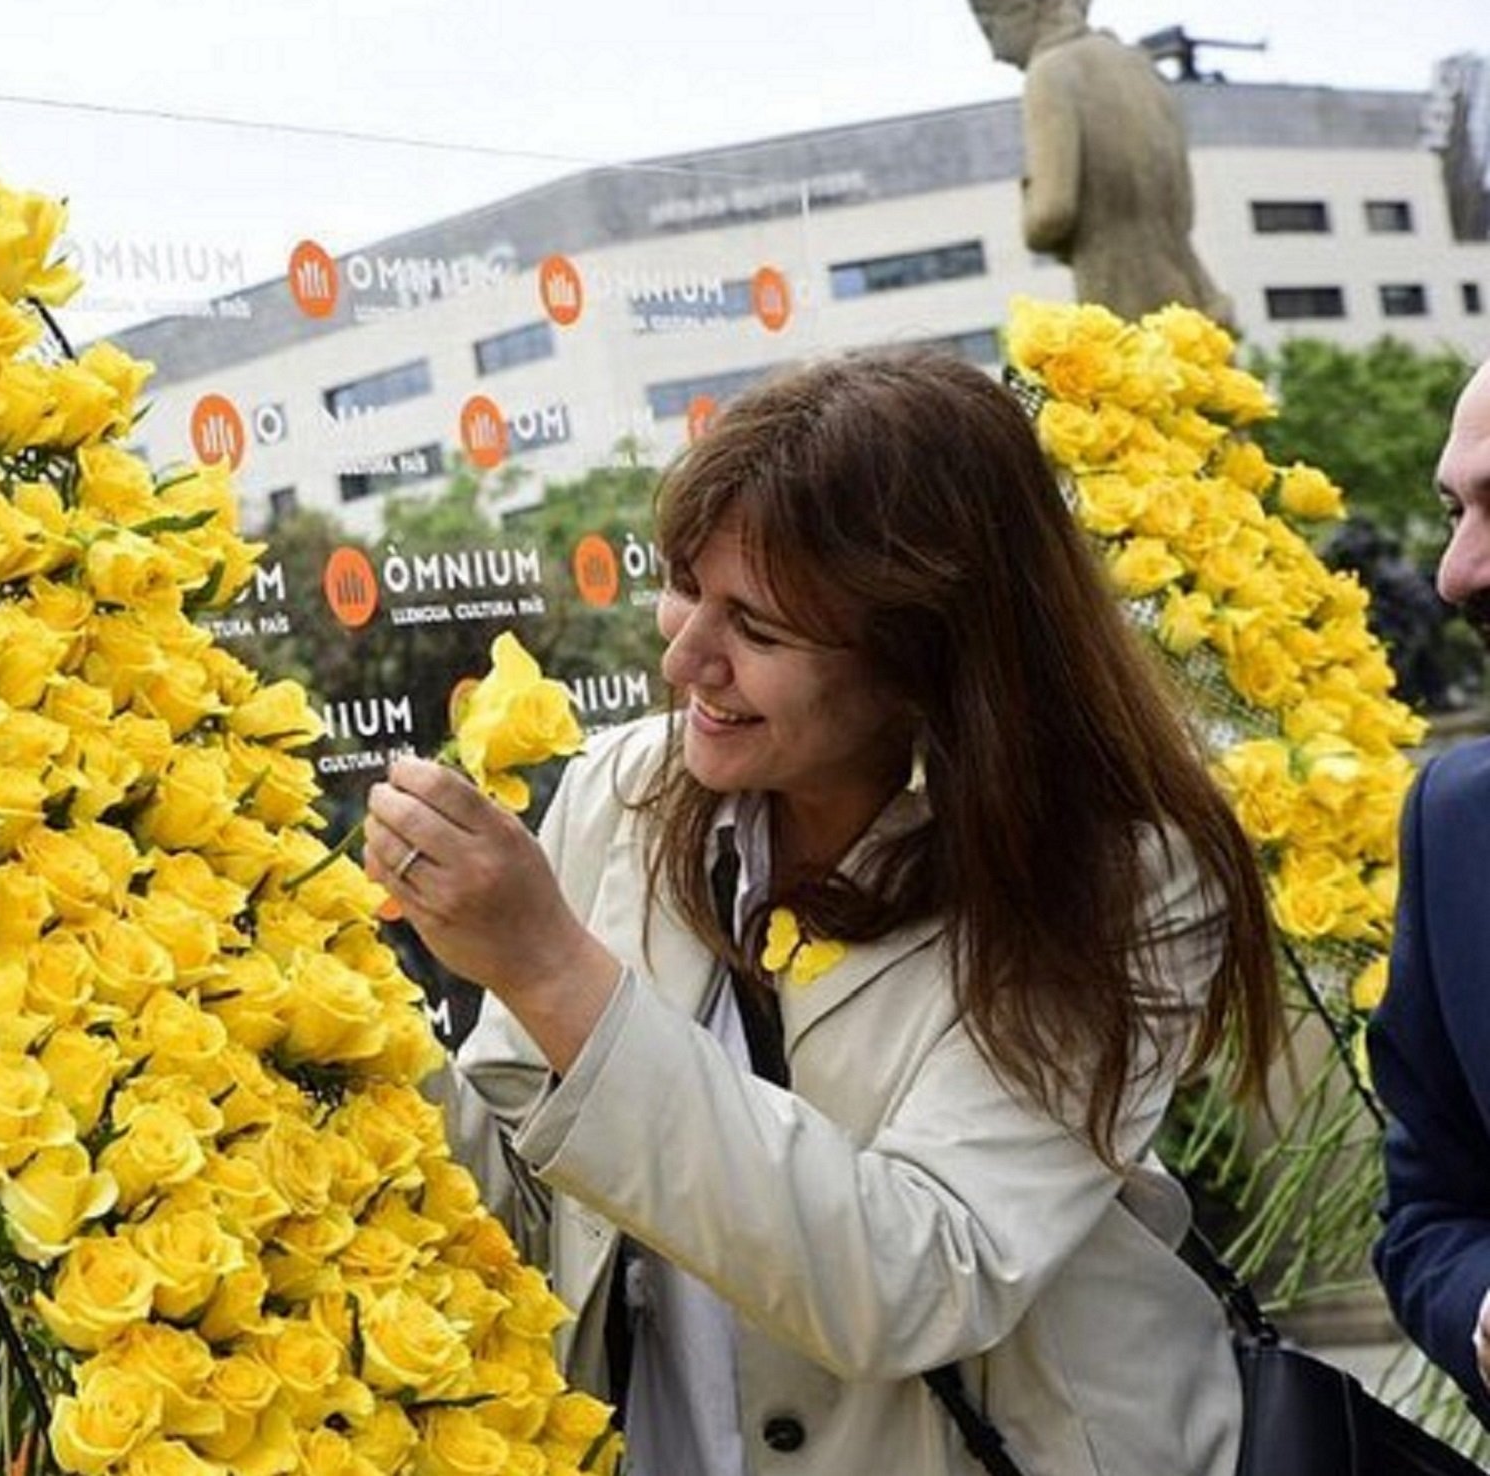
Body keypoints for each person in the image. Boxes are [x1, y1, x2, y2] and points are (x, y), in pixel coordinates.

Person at [366, 348, 1282, 1474]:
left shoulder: (1125, 872)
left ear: (928, 657)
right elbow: (520, 1205)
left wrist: (552, 971)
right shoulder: (626, 790)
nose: (687, 654)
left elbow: (922, 1276)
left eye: (759, 628)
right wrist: (337, 1016)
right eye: (686, 586)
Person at [1370, 358, 1490, 1422]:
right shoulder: (1454, 826)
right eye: (1456, 511)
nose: (1456, 575)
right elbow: (1427, 1212)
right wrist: (1485, 1313)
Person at [967, 0, 1234, 325]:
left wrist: (1029, 200)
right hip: (1194, 297)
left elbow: (1051, 213)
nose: (995, 54)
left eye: (991, 30)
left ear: (1029, 9)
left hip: (1120, 299)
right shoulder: (1140, 66)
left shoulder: (1050, 73)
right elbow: (1184, 205)